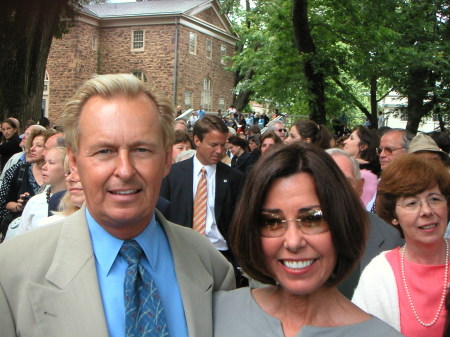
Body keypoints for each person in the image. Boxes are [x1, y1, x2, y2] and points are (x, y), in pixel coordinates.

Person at [0, 74, 235, 337]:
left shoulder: (212, 267)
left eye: (142, 150)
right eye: (104, 151)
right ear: (75, 163)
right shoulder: (10, 273)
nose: (124, 170)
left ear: (167, 160)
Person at [214, 143, 402, 337]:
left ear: (342, 223)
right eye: (272, 222)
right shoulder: (213, 314)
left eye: (313, 218)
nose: (293, 241)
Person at [352, 155, 450, 336]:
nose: (427, 211)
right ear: (394, 216)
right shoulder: (379, 273)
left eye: (435, 199)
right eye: (412, 203)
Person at [160, 115, 244, 276]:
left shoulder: (235, 179)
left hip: (221, 255)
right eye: (213, 145)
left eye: (223, 145)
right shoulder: (173, 174)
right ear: (197, 140)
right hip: (181, 254)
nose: (219, 151)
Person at [326, 148, 403, 298]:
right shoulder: (296, 233)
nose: (338, 189)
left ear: (360, 186)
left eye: (346, 181)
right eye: (329, 181)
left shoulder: (389, 237)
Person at [0, 128, 56, 238]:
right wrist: (18, 206)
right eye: (32, 145)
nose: (32, 149)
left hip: (46, 232)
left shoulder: (58, 173)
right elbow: (5, 202)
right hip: (19, 232)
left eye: (39, 146)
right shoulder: (19, 170)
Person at [14, 147, 67, 236]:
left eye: (51, 163)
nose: (44, 167)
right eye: (45, 162)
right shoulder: (35, 201)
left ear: (67, 168)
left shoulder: (77, 202)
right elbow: (20, 238)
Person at [342, 126, 381, 207]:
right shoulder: (359, 170)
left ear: (363, 146)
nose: (345, 141)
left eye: (351, 138)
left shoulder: (365, 175)